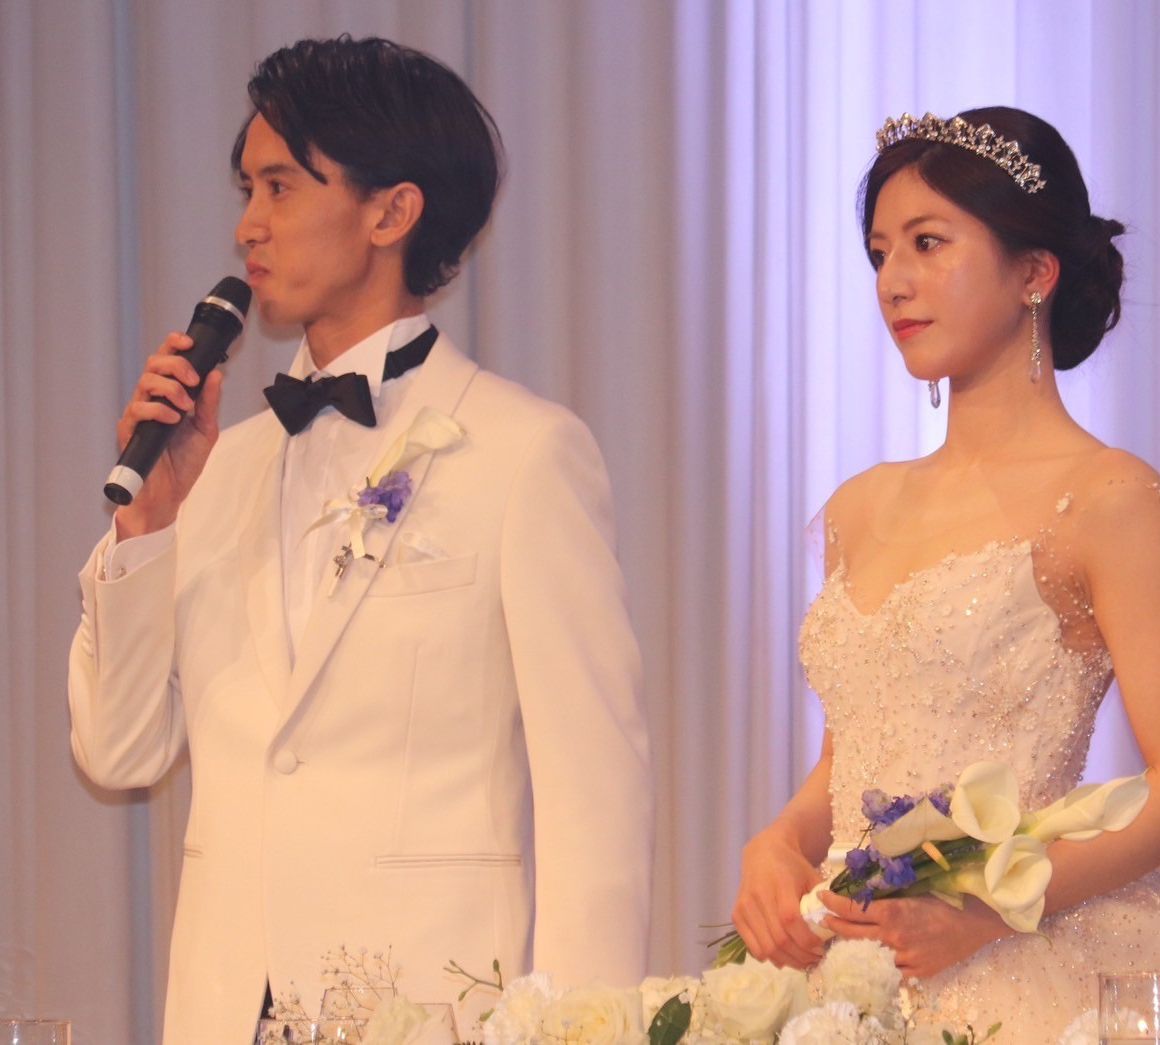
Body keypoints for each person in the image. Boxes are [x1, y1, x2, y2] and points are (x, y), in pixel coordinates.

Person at [68, 36, 652, 1043]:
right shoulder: (220, 468)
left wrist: (580, 1027)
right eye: (246, 189)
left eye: (281, 187)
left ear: (391, 211)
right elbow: (119, 750)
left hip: (431, 1007)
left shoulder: (524, 453)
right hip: (224, 1012)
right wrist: (148, 526)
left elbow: (595, 792)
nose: (248, 225)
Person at [732, 107, 1160, 1042]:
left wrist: (987, 910)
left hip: (1011, 969)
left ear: (1034, 272)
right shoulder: (859, 507)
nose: (894, 281)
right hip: (847, 970)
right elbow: (852, 760)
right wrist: (779, 841)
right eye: (881, 253)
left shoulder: (1107, 497)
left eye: (928, 244)